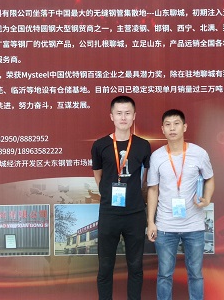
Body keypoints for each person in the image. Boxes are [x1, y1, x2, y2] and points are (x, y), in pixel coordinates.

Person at [146, 109, 215, 300]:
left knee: (196, 274)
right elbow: (153, 190)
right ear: (162, 129)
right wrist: (151, 222)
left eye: (176, 123)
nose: (172, 128)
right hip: (165, 226)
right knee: (164, 275)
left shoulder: (199, 153)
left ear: (184, 127)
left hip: (194, 225)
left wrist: (207, 198)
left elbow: (209, 178)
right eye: (167, 124)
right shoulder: (157, 157)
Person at [91, 95, 152, 300]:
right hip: (109, 213)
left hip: (135, 214)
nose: (123, 117)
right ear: (112, 116)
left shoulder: (143, 145)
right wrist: (108, 194)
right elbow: (98, 176)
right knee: (105, 266)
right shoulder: (100, 145)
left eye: (127, 113)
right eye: (119, 113)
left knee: (135, 266)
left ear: (134, 116)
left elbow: (146, 179)